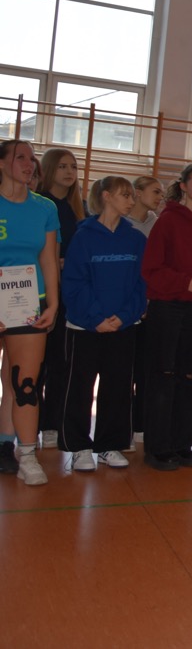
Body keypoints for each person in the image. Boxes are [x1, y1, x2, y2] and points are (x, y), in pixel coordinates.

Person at [140, 163, 192, 471]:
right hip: (168, 307)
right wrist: (184, 282)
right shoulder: (167, 221)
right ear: (184, 186)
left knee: (190, 377)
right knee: (163, 376)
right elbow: (151, 270)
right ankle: (158, 447)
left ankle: (182, 444)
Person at [60, 176, 147, 472]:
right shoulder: (83, 236)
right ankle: (79, 447)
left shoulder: (136, 239)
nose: (131, 201)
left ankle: (109, 445)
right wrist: (96, 318)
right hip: (85, 328)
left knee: (118, 387)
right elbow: (74, 282)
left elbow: (141, 284)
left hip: (123, 327)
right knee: (79, 388)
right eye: (125, 195)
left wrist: (124, 316)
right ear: (107, 196)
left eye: (132, 196)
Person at [0, 140, 60, 484]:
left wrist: (52, 303)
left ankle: (25, 454)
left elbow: (48, 259)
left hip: (27, 304)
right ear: (1, 163)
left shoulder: (44, 207)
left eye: (32, 158)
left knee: (23, 383)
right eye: (20, 157)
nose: (29, 164)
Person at [36, 147, 84, 451]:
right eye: (63, 166)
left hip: (69, 296)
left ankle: (52, 423)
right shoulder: (39, 205)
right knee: (36, 364)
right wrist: (53, 261)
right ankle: (30, 422)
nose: (69, 172)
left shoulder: (78, 209)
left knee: (60, 362)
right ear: (49, 169)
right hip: (41, 293)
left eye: (73, 167)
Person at [125, 174, 165, 450]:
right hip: (127, 307)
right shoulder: (121, 223)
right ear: (137, 193)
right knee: (123, 372)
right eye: (155, 191)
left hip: (152, 307)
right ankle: (123, 427)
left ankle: (141, 425)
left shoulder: (158, 224)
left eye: (162, 193)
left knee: (146, 371)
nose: (160, 197)